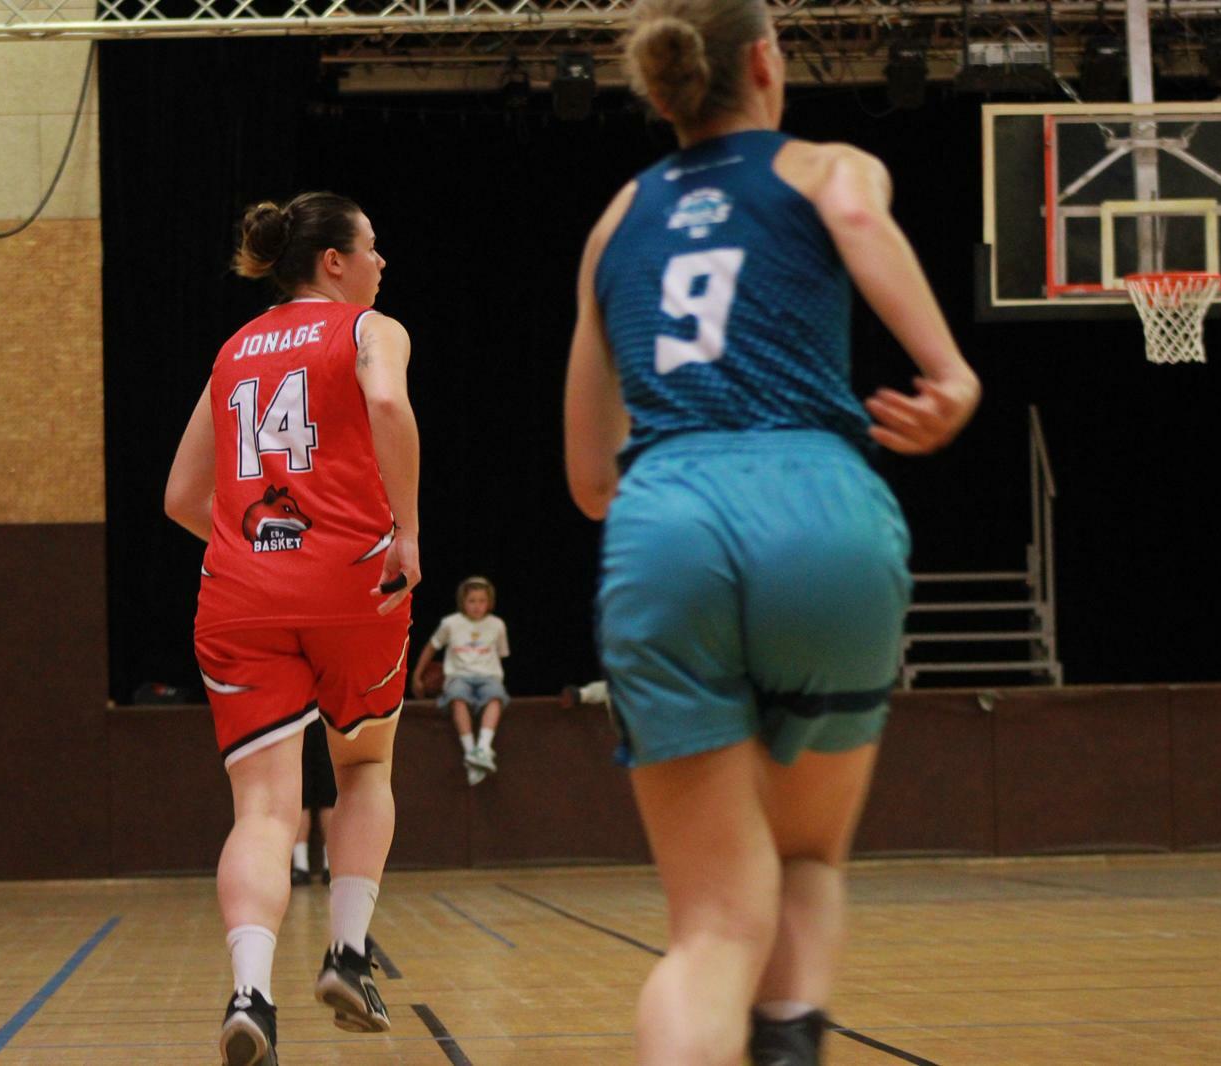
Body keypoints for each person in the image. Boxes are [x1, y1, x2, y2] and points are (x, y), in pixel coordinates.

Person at [563, 2, 980, 1062]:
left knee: (710, 928)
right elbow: (856, 218)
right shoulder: (825, 165)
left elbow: (589, 479)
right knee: (805, 860)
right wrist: (948, 372)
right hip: (820, 509)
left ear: (663, 83)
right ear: (763, 60)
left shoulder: (616, 220)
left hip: (666, 518)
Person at [165, 190, 421, 1066]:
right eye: (372, 246)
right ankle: (347, 955)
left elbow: (181, 497)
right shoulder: (369, 330)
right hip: (352, 583)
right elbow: (388, 408)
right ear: (334, 262)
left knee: (264, 811)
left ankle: (251, 996)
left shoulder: (233, 349)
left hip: (239, 596)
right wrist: (407, 531)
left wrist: (256, 552)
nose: (382, 262)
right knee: (365, 766)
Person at [411, 576, 510, 786]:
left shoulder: (497, 625)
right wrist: (417, 675)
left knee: (495, 697)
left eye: (482, 600)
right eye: (472, 600)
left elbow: (500, 655)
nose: (477, 605)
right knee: (457, 698)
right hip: (458, 676)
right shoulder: (450, 623)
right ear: (462, 602)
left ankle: (483, 747)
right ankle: (470, 752)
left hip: (488, 675)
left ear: (489, 602)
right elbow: (431, 646)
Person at [291, 718, 335, 886]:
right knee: (321, 796)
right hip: (325, 717)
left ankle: (302, 867)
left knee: (308, 795)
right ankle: (327, 866)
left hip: (299, 717)